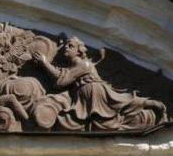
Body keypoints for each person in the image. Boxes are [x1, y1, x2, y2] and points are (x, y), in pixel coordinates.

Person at [32, 37, 166, 130]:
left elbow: (62, 81)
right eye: (66, 45)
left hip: (96, 95)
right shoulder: (71, 68)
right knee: (99, 122)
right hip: (84, 97)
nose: (66, 48)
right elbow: (61, 76)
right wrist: (47, 65)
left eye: (70, 46)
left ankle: (155, 107)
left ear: (79, 50)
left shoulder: (83, 64)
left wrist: (45, 64)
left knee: (113, 115)